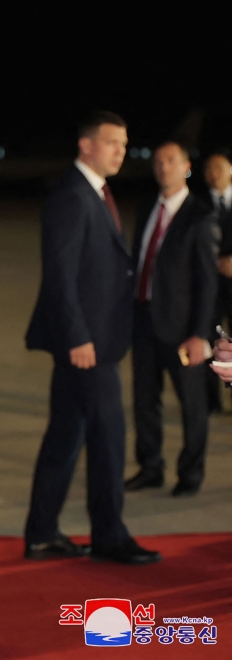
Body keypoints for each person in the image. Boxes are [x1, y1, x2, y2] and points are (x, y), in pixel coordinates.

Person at [24, 111, 161, 565]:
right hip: (88, 345)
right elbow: (60, 275)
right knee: (108, 439)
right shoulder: (73, 196)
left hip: (93, 341)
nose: (122, 151)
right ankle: (109, 536)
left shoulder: (94, 192)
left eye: (124, 143)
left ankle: (42, 533)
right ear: (86, 145)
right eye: (112, 142)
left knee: (66, 436)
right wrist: (78, 337)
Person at [124, 141, 218, 498]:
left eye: (171, 161)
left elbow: (207, 283)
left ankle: (190, 473)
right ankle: (151, 468)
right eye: (158, 161)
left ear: (186, 167)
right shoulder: (148, 206)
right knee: (145, 401)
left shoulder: (200, 215)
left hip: (182, 330)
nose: (163, 167)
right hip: (143, 321)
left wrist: (200, 335)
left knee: (192, 405)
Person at [203, 150, 232, 412]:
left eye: (219, 168)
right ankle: (212, 401)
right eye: (209, 169)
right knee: (213, 343)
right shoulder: (198, 205)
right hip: (210, 288)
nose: (214, 174)